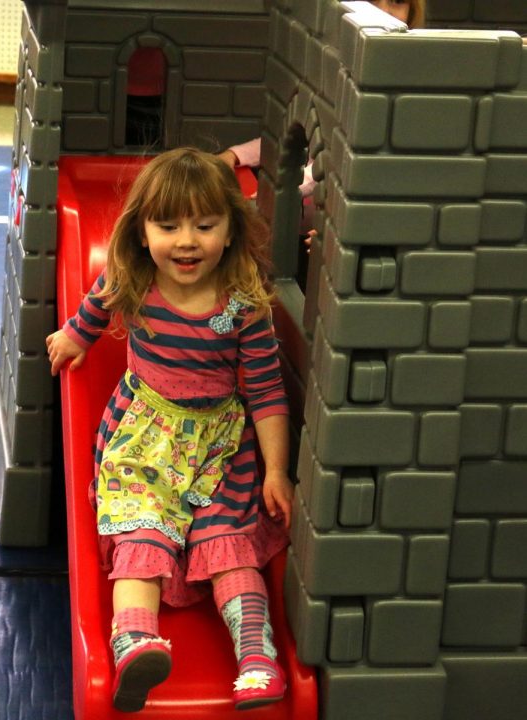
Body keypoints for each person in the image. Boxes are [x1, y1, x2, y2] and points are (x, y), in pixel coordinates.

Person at [46, 147, 294, 712]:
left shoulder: (243, 303)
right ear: (142, 230)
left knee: (229, 546)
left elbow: (265, 390)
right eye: (168, 225)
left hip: (219, 447)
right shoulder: (133, 277)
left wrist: (275, 470)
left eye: (205, 226)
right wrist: (75, 338)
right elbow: (95, 306)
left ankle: (257, 659)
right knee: (141, 532)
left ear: (230, 230)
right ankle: (133, 640)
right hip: (145, 437)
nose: (187, 241)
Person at [218, 0, 426, 171]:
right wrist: (237, 154)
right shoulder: (332, 63)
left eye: (397, 1)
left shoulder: (408, 85)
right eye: (369, 1)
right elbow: (297, 140)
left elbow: (343, 165)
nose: (383, 12)